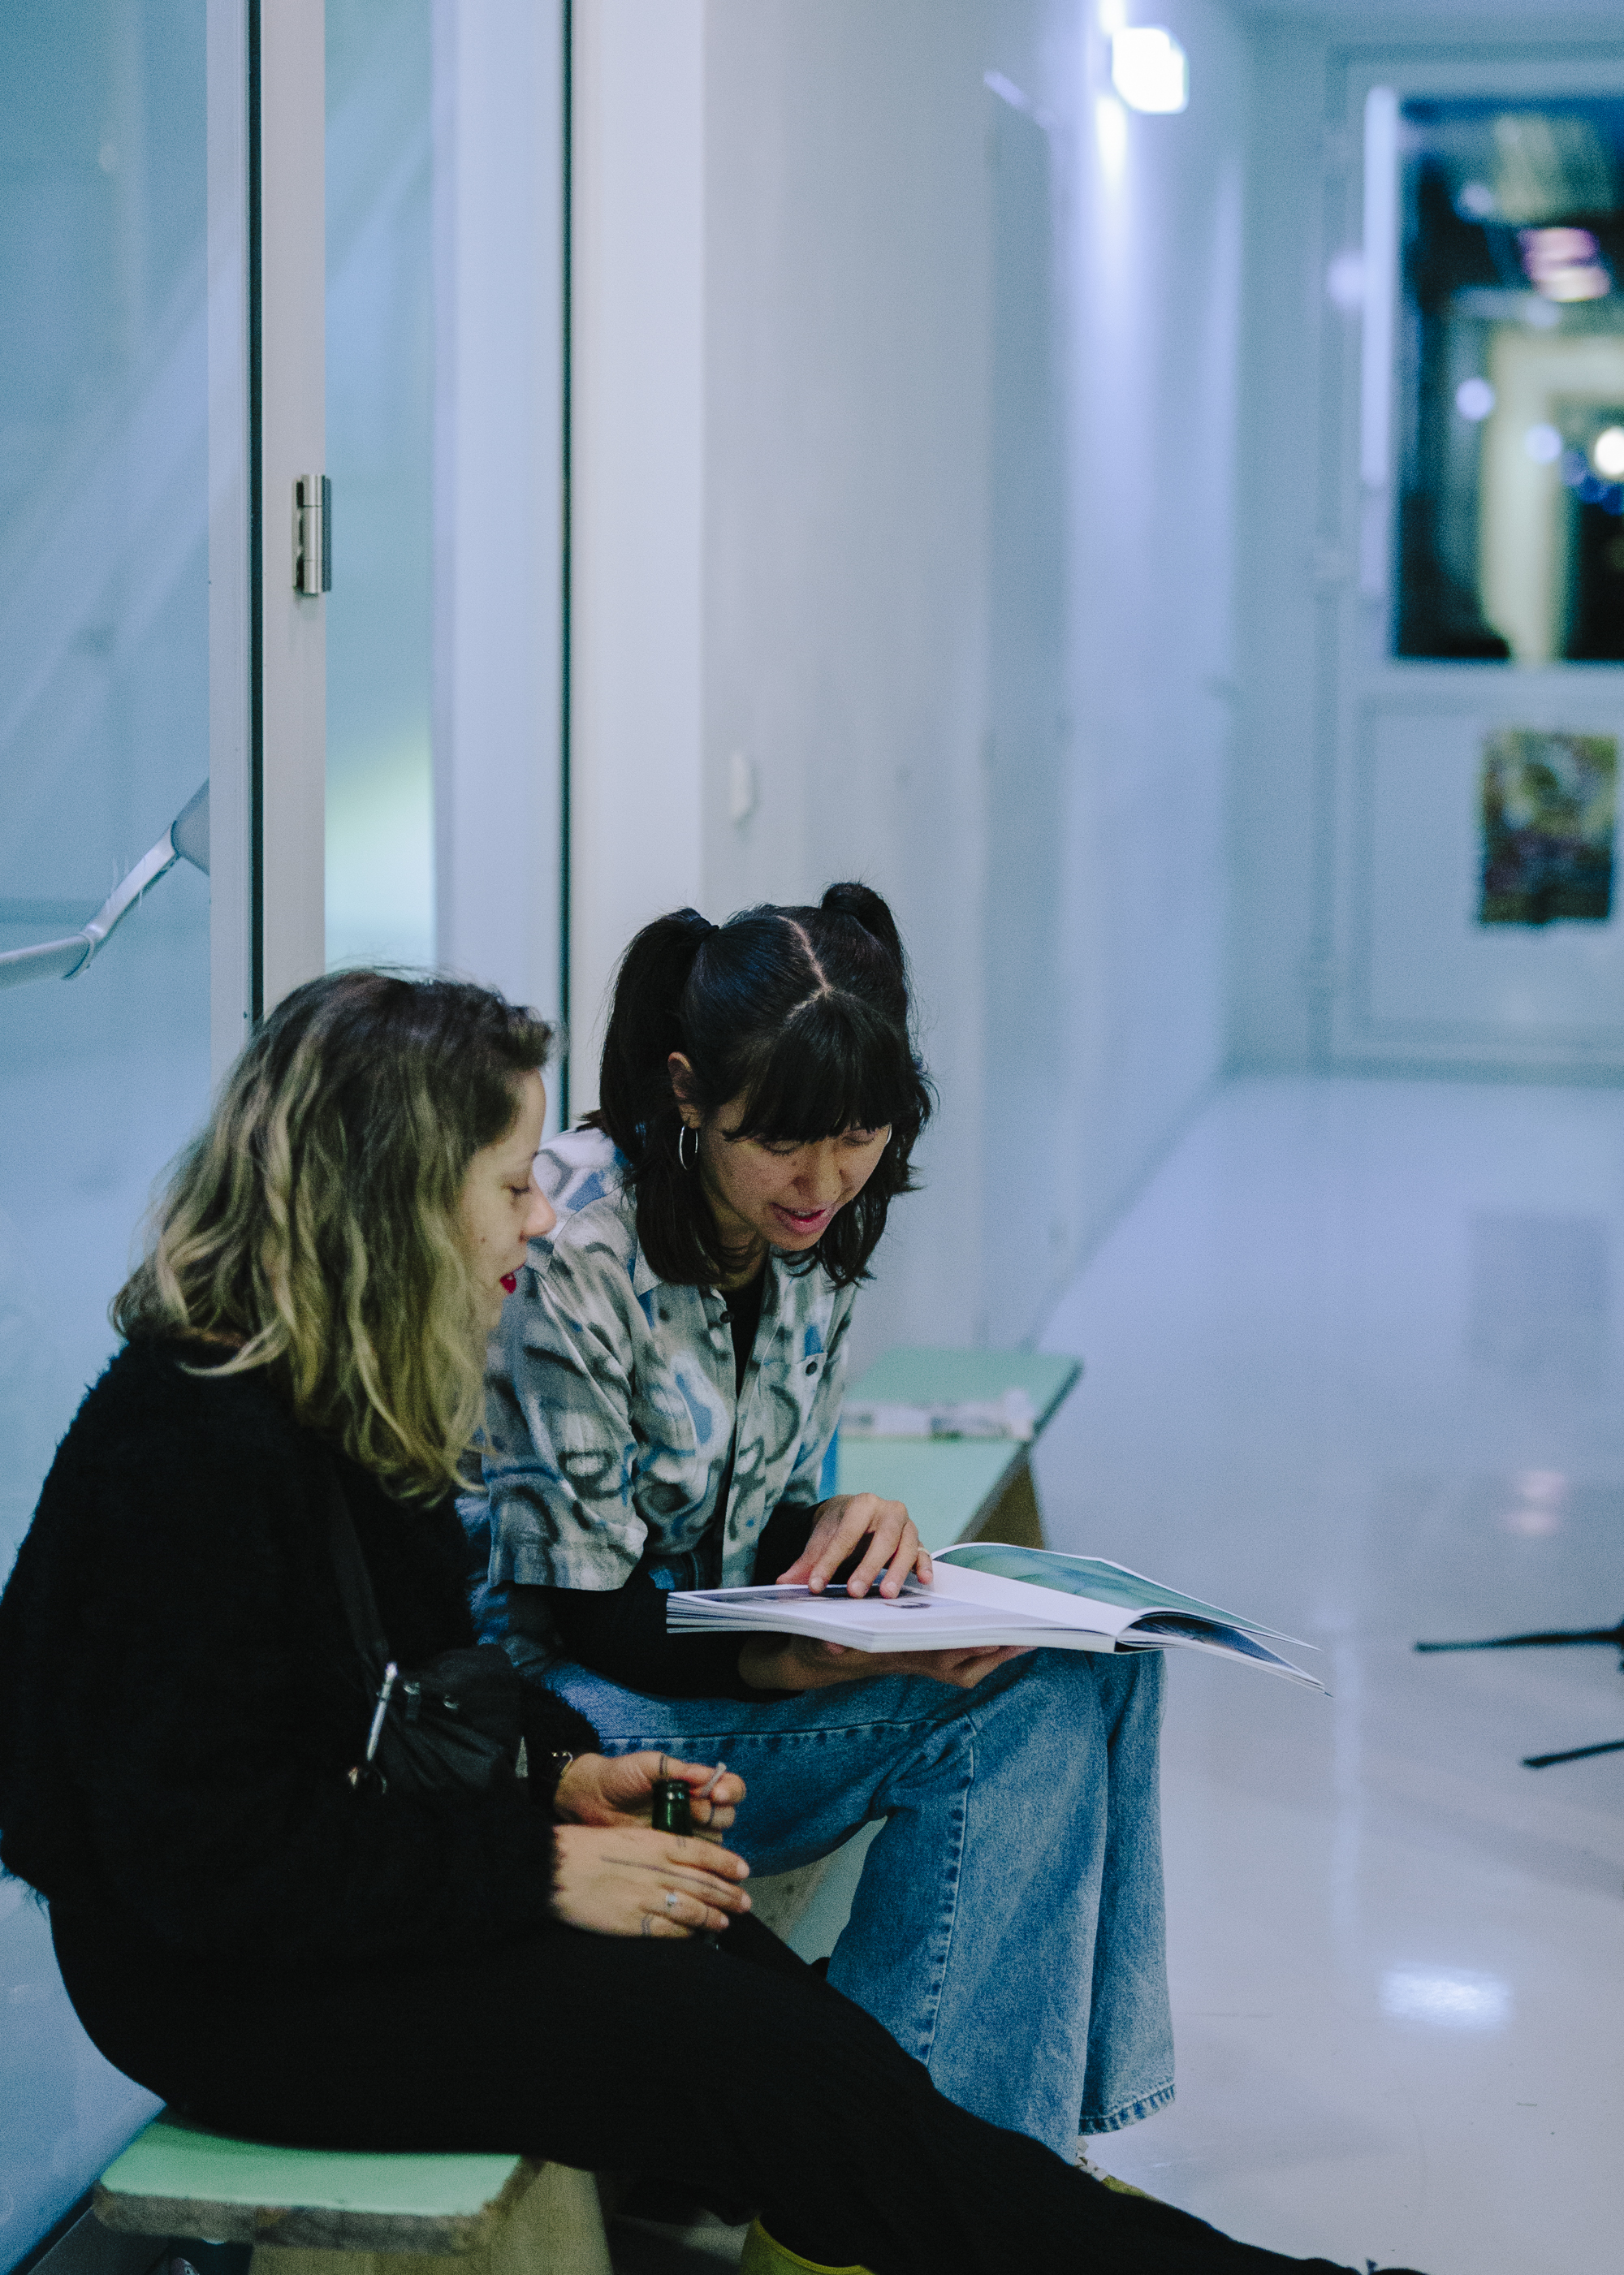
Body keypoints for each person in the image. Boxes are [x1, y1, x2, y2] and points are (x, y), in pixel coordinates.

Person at [0, 969, 1426, 2275]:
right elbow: (208, 1870)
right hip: (229, 1995)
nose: (539, 1217)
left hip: (359, 1904)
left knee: (810, 2043)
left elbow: (422, 1698)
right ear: (395, 1199)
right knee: (765, 2065)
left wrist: (567, 1777)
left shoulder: (342, 1393)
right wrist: (536, 1869)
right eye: (511, 1184)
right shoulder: (185, 1454)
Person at [473, 886, 1166, 2163]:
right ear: (689, 1093)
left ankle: (986, 2165)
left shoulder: (805, 1229)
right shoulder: (577, 1242)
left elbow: (741, 1508)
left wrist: (840, 1522)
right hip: (567, 1720)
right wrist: (792, 1661)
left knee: (1097, 1662)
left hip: (695, 1668)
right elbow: (587, 1615)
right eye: (784, 1141)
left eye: (860, 1136)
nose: (826, 1181)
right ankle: (934, 2175)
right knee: (1026, 1713)